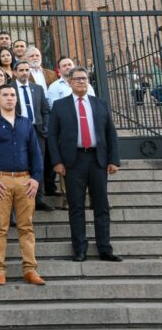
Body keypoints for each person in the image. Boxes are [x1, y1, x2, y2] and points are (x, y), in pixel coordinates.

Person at [48, 67, 123, 263]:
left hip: (97, 160)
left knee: (101, 206)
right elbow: (52, 136)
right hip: (73, 162)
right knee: (76, 207)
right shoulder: (59, 105)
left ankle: (105, 249)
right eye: (77, 79)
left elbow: (110, 134)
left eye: (84, 78)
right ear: (70, 82)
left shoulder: (100, 104)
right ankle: (79, 249)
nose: (81, 82)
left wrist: (113, 160)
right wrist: (56, 161)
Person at [0, 85, 46, 286]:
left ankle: (30, 269)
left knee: (27, 226)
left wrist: (36, 178)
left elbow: (36, 153)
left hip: (26, 181)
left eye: (12, 95)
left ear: (17, 99)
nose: (9, 98)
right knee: (0, 227)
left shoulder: (26, 123)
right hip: (1, 180)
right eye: (5, 95)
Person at [13, 61, 54, 212]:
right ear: (14, 72)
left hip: (37, 131)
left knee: (39, 164)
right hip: (18, 131)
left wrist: (45, 127)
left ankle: (39, 199)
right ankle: (21, 199)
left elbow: (45, 110)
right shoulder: (9, 88)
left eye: (27, 70)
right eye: (21, 70)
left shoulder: (37, 89)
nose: (24, 73)